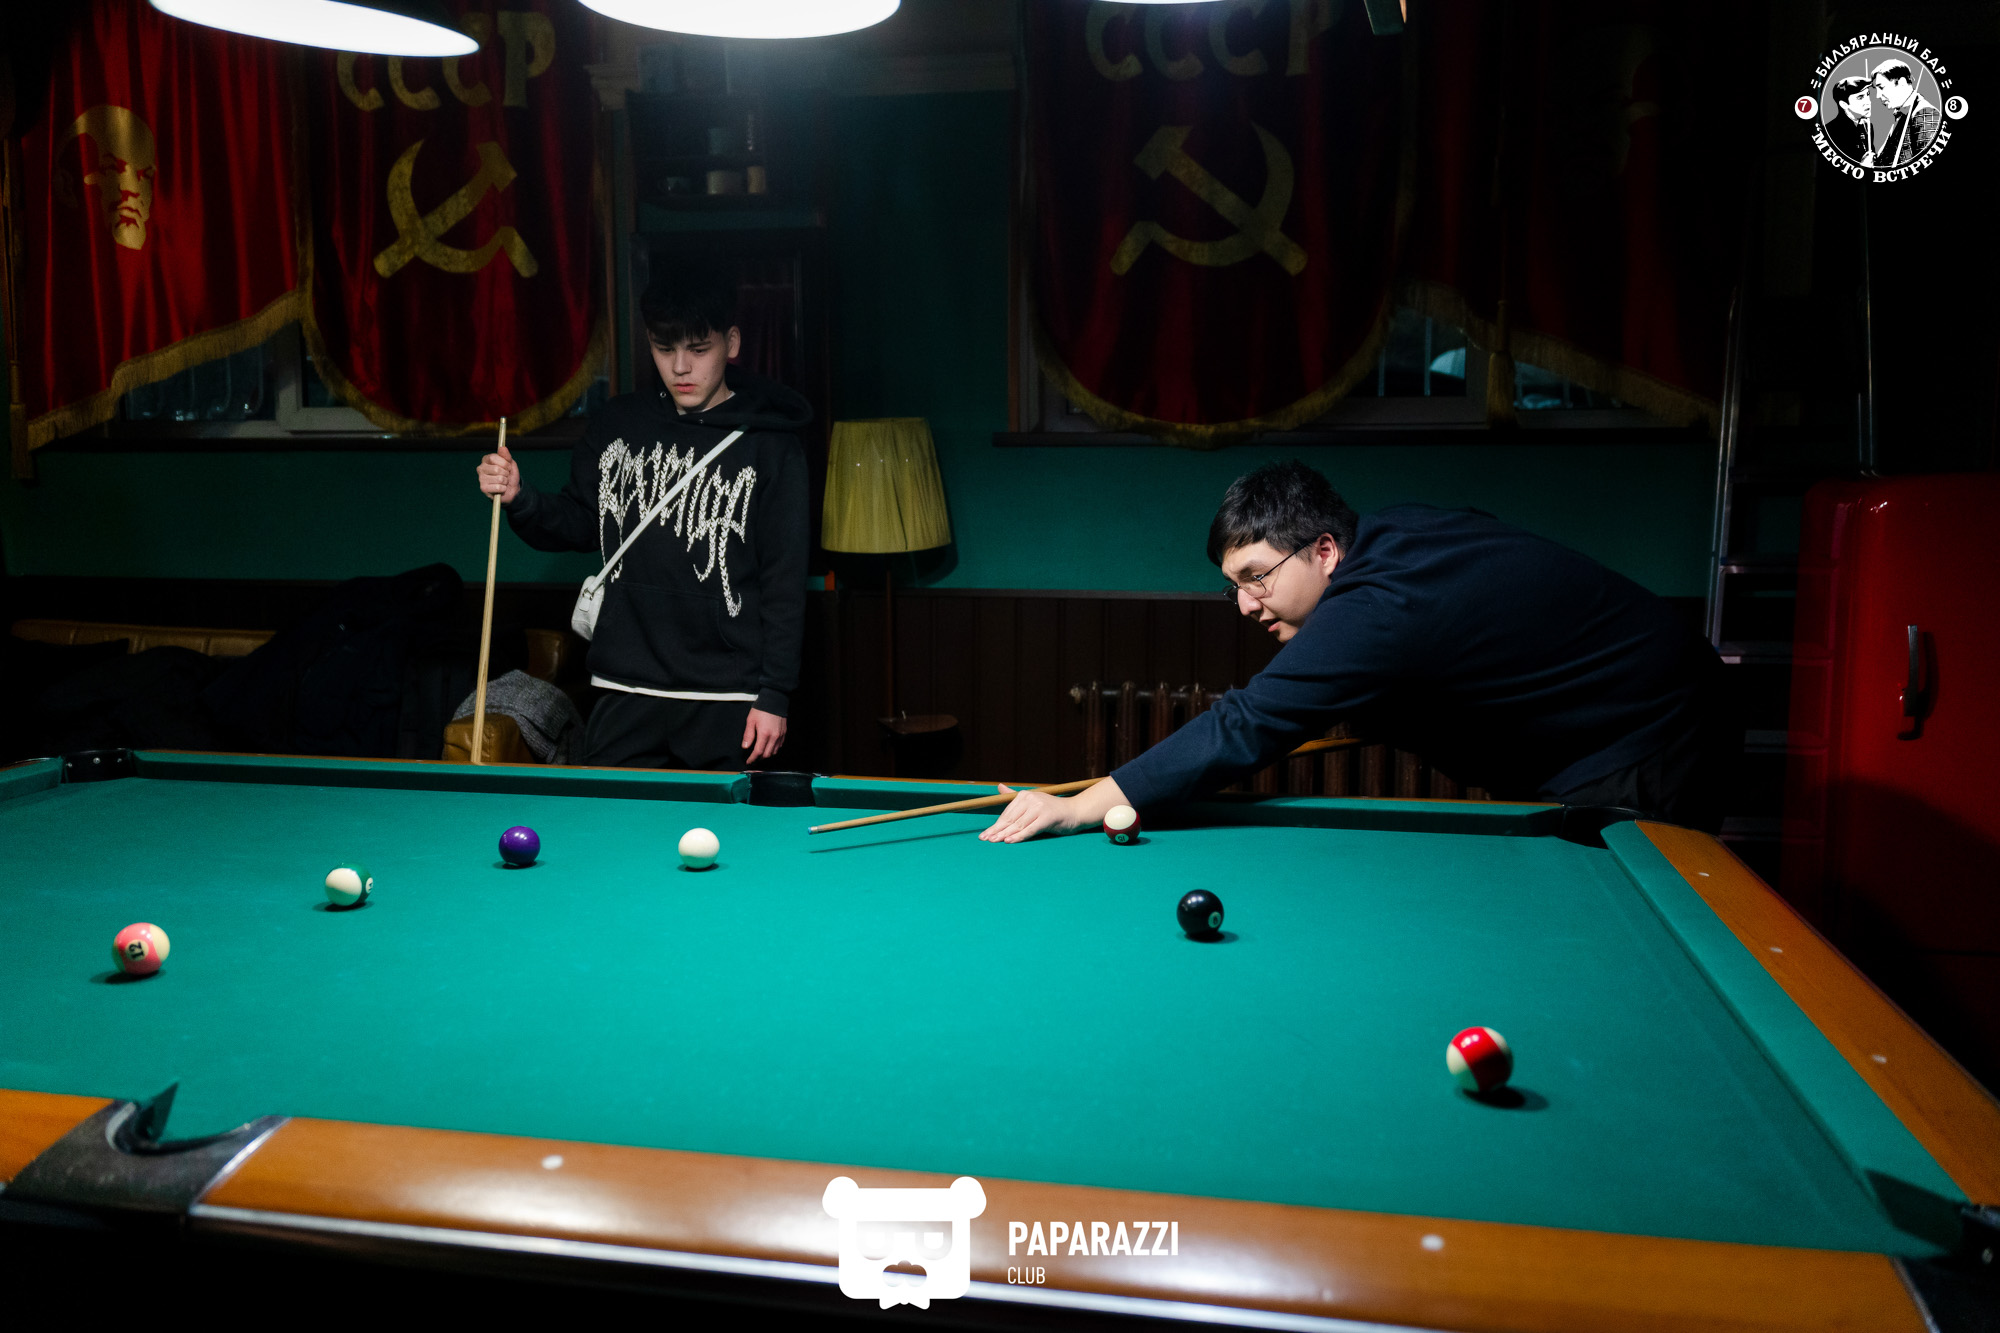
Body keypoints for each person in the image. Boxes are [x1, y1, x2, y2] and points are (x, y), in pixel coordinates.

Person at [982, 461, 1727, 843]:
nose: (1245, 604)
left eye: (1257, 577)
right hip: (1630, 712)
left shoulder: (1377, 607)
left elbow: (1246, 723)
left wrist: (1080, 807)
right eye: (1232, 587)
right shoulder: (1395, 533)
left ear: (1325, 549)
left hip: (1654, 730)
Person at [476, 270, 811, 770]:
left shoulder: (771, 445)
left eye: (699, 349)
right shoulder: (618, 422)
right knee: (610, 820)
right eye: (663, 348)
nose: (680, 367)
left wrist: (775, 694)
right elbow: (581, 523)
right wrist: (521, 498)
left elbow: (783, 580)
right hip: (623, 689)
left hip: (727, 697)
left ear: (732, 342)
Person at [1872, 59, 1941, 166]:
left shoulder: (1925, 113)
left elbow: (1927, 163)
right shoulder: (1902, 113)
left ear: (1902, 83)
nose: (1878, 95)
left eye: (1881, 87)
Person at [1822, 75, 1875, 166]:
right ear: (1844, 104)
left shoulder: (1868, 126)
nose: (1868, 102)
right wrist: (1861, 167)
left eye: (1868, 94)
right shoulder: (1830, 132)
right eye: (1860, 97)